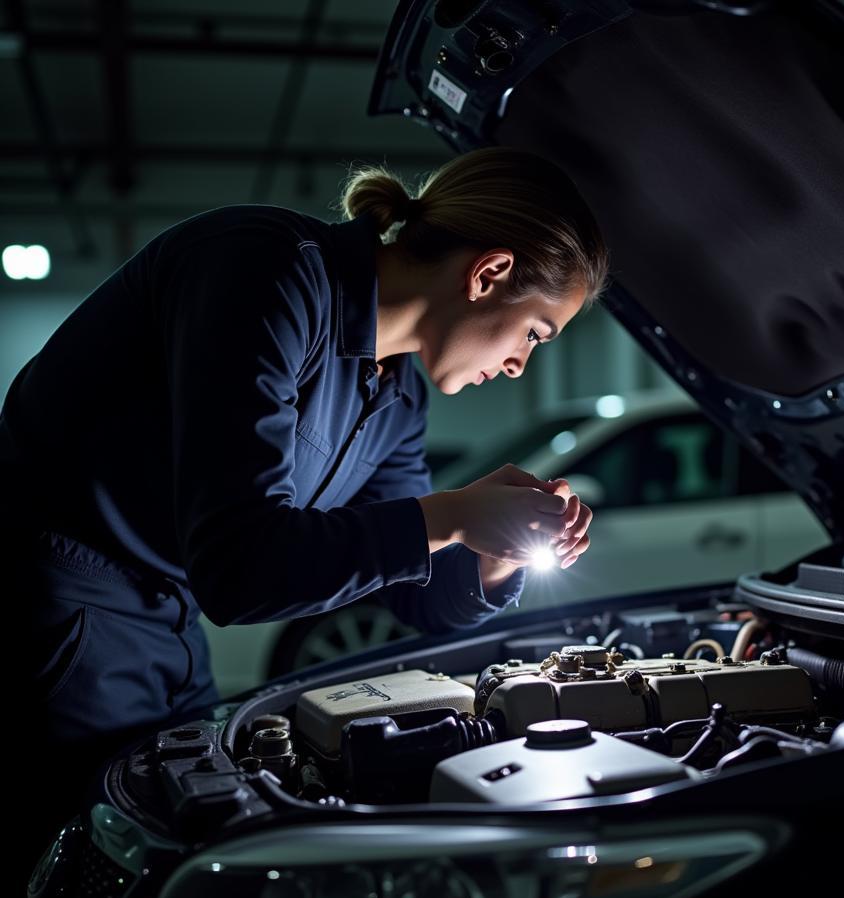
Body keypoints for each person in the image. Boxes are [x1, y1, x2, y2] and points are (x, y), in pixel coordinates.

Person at [1, 147, 610, 777]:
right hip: (60, 611)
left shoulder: (400, 397)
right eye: (535, 333)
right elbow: (240, 568)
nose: (519, 364)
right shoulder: (266, 270)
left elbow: (415, 596)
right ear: (489, 272)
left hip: (171, 627)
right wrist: (452, 515)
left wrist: (495, 556)